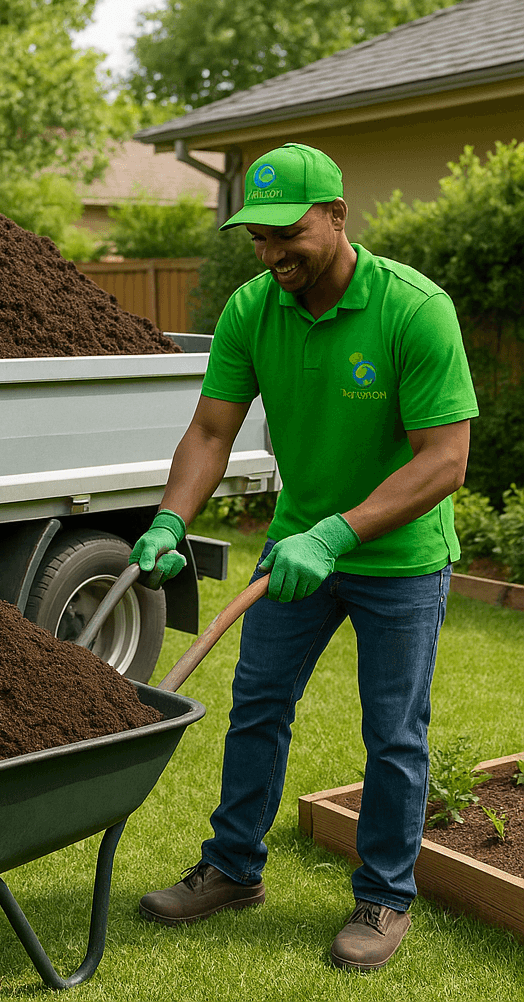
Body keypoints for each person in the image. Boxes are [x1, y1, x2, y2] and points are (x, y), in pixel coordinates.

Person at [130, 142, 477, 972]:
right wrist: (170, 520)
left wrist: (336, 535)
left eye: (289, 233)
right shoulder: (252, 310)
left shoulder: (413, 309)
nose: (273, 253)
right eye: (259, 236)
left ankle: (385, 895)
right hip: (296, 549)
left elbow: (444, 460)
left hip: (399, 558)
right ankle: (233, 867)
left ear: (337, 216)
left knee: (393, 732)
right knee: (257, 705)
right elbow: (211, 430)